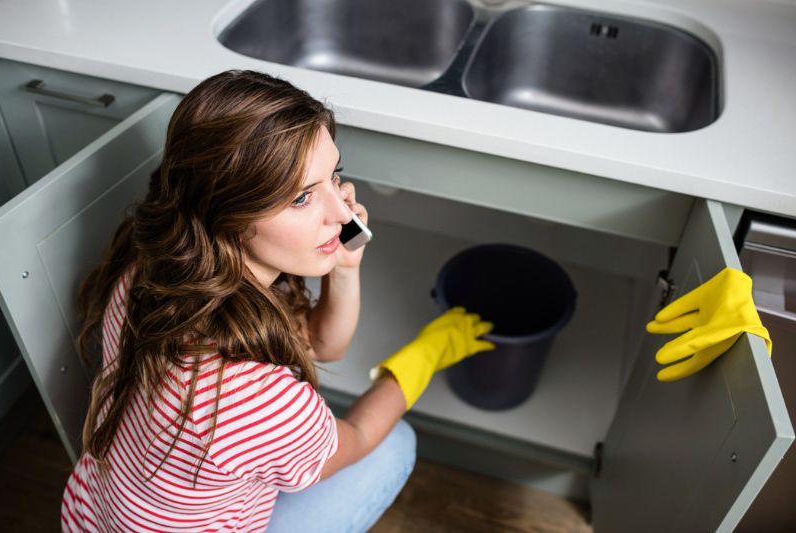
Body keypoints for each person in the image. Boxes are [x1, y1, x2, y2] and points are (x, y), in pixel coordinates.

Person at [60, 70, 494, 532]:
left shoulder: (150, 267)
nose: (343, 212)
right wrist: (422, 358)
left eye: (334, 177)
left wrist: (345, 267)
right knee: (396, 441)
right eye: (303, 197)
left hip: (93, 517)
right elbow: (360, 435)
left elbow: (323, 345)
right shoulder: (258, 398)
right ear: (233, 213)